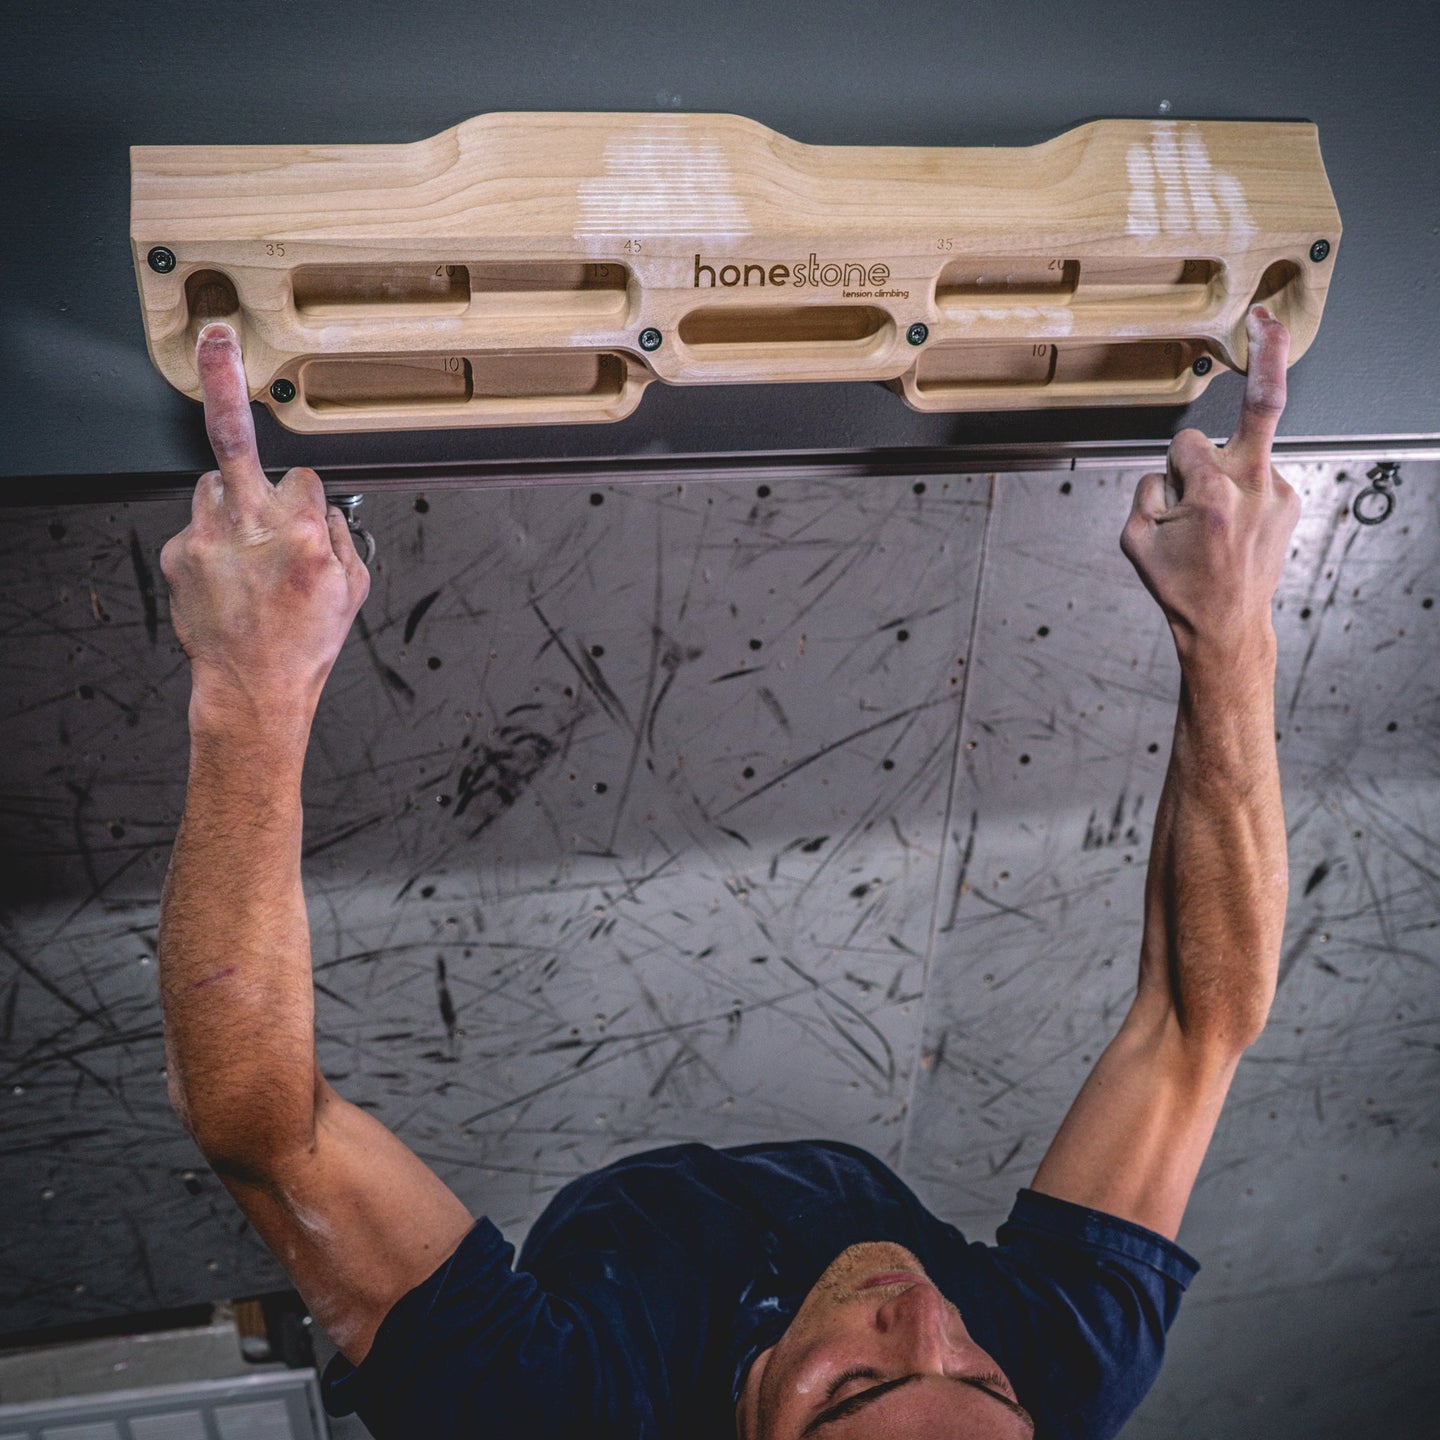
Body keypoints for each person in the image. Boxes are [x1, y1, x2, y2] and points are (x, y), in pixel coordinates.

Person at [156, 305, 1299, 1440]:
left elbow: (268, 1131)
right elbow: (1197, 1023)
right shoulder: (1067, 1368)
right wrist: (1231, 625)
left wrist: (253, 682)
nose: (923, 1315)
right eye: (986, 1377)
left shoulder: (554, 1413)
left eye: (854, 1385)